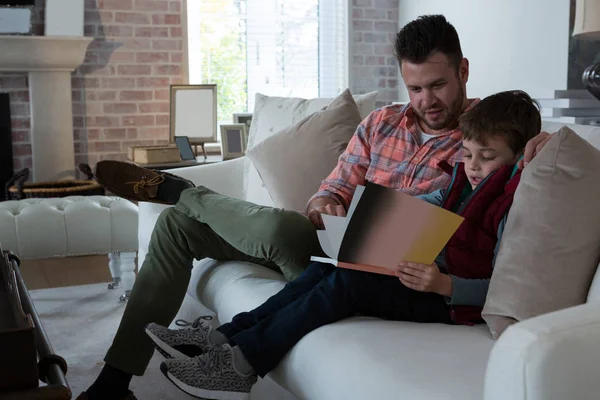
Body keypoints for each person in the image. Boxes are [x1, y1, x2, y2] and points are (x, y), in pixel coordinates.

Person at [76, 15, 551, 400]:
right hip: (338, 242)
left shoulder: (482, 136)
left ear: (463, 71)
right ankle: (116, 380)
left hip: (398, 266)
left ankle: (180, 191)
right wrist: (328, 204)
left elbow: (529, 156)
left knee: (276, 231)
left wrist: (547, 145)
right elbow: (333, 189)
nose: (427, 100)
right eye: (415, 88)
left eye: (438, 85)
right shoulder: (381, 123)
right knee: (178, 227)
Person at [157, 89, 541, 399]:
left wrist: (445, 286)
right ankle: (223, 339)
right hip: (416, 270)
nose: (473, 165)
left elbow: (504, 286)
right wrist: (369, 224)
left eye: (487, 157)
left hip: (446, 298)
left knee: (348, 284)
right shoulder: (465, 182)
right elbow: (428, 205)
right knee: (327, 266)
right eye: (468, 154)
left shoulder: (513, 205)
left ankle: (241, 366)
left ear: (520, 157)